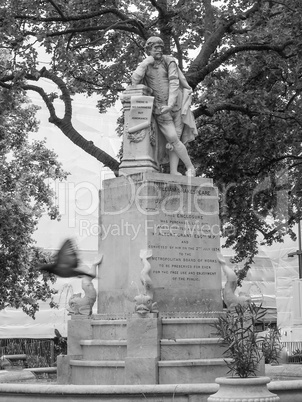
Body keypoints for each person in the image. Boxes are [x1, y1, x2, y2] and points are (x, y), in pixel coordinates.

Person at [131, 37, 198, 177]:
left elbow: (174, 82)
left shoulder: (169, 61)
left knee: (175, 141)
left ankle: (174, 171)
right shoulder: (147, 64)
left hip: (177, 105)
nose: (159, 50)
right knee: (173, 138)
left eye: (161, 47)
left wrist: (170, 104)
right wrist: (145, 63)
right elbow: (134, 80)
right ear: (148, 50)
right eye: (155, 48)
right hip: (160, 109)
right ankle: (190, 167)